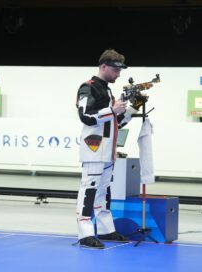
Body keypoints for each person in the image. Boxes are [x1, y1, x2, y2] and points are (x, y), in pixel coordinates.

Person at [75, 49, 147, 248]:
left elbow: (115, 122)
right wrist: (112, 110)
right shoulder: (87, 87)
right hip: (94, 148)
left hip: (107, 151)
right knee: (89, 190)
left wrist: (134, 107)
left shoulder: (107, 91)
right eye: (115, 69)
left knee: (103, 191)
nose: (118, 74)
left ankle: (106, 230)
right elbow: (85, 116)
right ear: (103, 66)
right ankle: (85, 233)